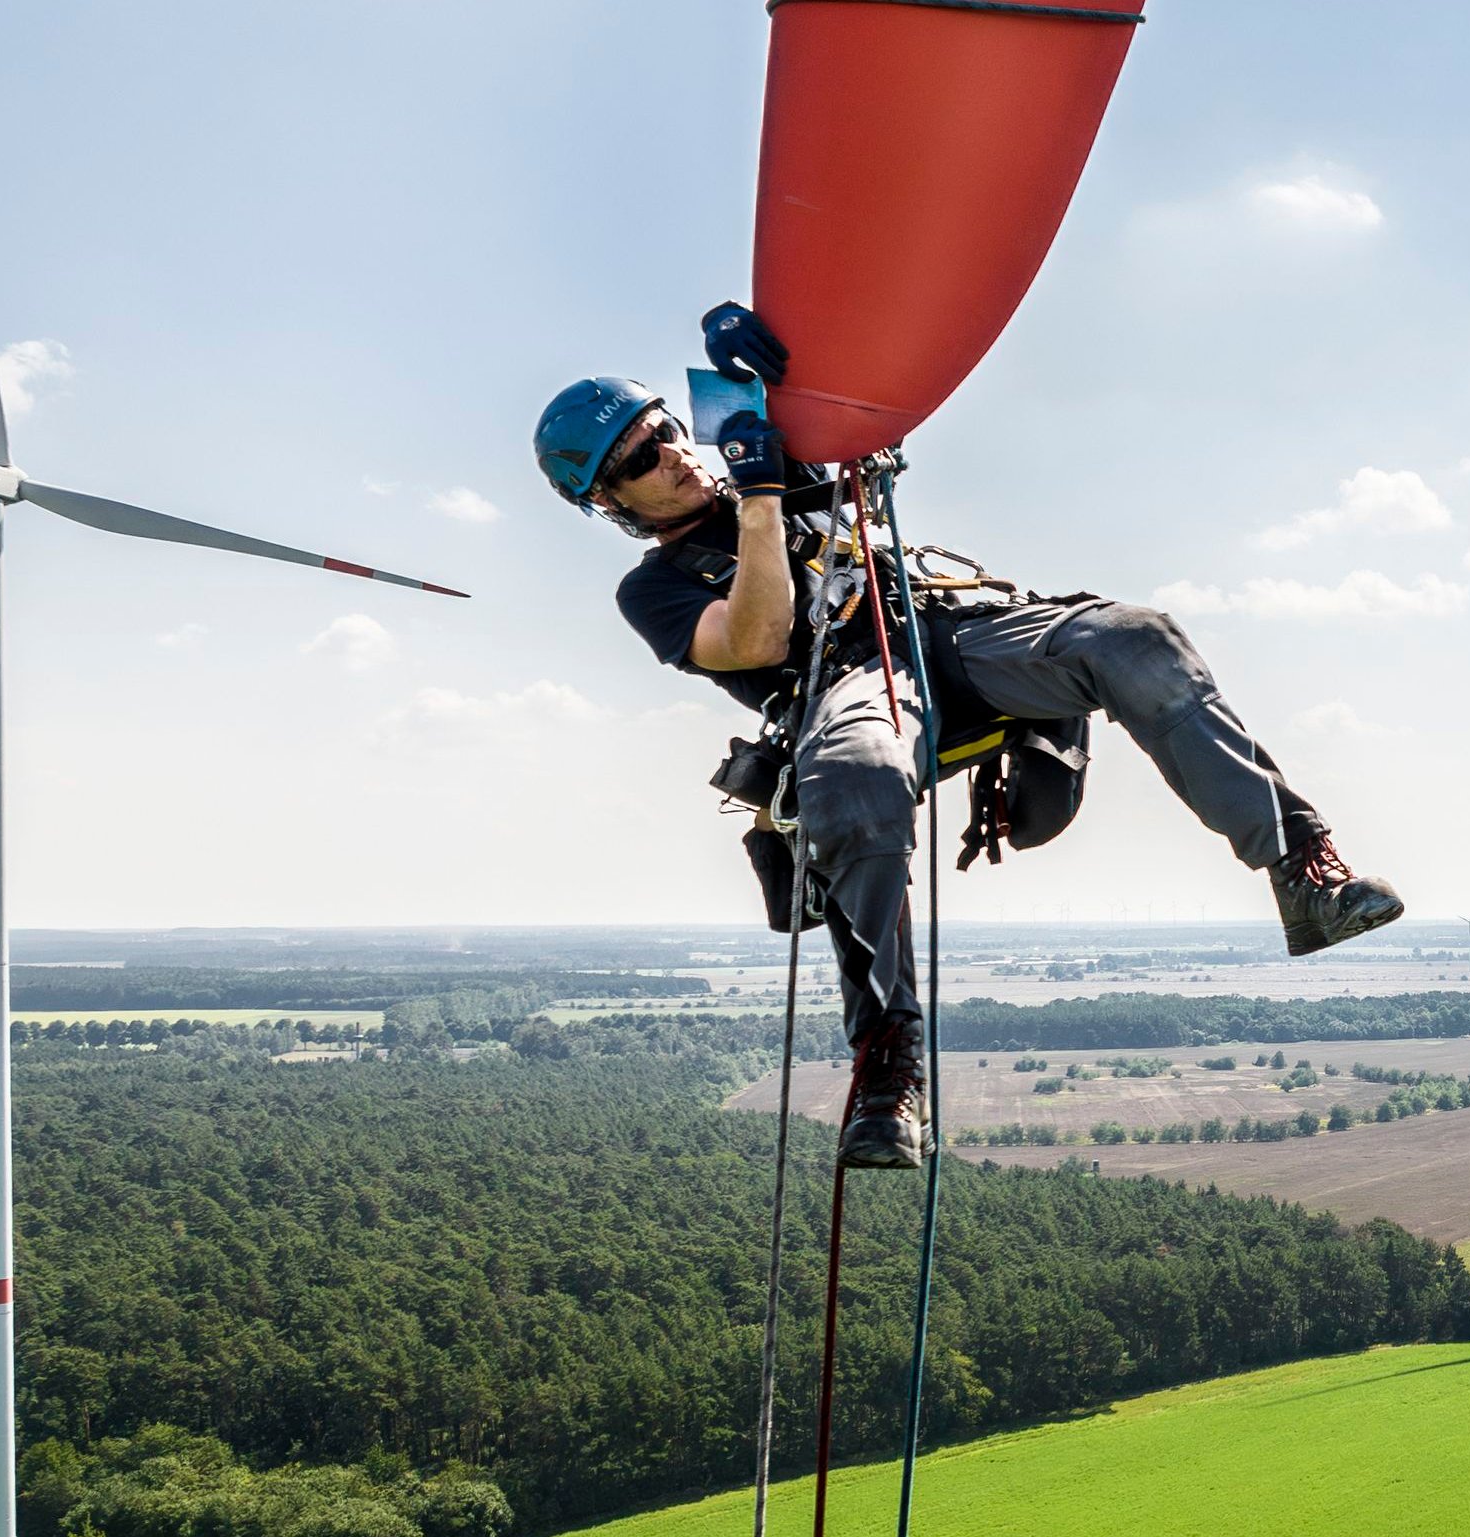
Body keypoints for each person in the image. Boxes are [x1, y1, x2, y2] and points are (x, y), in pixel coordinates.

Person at [534, 304, 1403, 1170]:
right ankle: (888, 1065)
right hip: (849, 678)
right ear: (609, 501)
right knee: (854, 770)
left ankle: (1304, 870)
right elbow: (757, 641)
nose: (677, 453)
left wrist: (762, 350)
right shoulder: (657, 587)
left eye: (669, 429)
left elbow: (813, 400)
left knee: (1135, 638)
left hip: (952, 628)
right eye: (643, 457)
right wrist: (760, 501)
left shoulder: (770, 459)